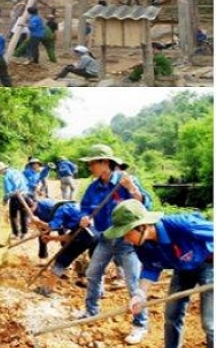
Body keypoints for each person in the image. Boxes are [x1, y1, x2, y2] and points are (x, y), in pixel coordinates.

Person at [104, 200, 213, 348]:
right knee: (172, 315)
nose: (126, 240)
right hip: (182, 269)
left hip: (209, 264)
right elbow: (150, 268)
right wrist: (139, 294)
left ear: (141, 227)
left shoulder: (182, 225)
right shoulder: (142, 245)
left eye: (127, 233)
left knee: (210, 323)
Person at [76, 144, 153, 345]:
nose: (90, 166)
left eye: (93, 162)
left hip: (128, 241)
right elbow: (84, 208)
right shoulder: (93, 187)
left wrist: (132, 189)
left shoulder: (126, 181)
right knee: (92, 273)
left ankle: (140, 324)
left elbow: (145, 206)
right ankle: (91, 311)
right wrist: (84, 218)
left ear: (105, 163)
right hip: (105, 238)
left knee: (133, 283)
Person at [28, 197, 98, 296]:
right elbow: (70, 237)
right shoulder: (77, 209)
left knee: (63, 259)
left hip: (86, 234)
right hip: (97, 235)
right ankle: (98, 290)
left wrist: (37, 221)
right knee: (96, 261)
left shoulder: (62, 210)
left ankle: (47, 289)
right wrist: (51, 238)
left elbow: (52, 226)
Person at [0, 161, 30, 239]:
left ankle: (16, 234)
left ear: (2, 169)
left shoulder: (6, 177)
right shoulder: (17, 171)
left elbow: (9, 192)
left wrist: (4, 200)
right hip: (25, 195)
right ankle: (24, 233)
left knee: (13, 215)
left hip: (16, 197)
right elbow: (26, 182)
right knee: (23, 214)